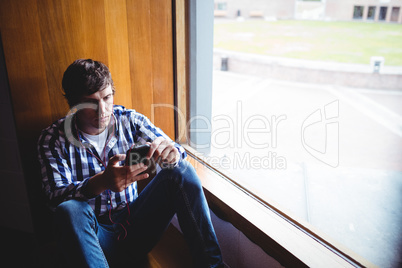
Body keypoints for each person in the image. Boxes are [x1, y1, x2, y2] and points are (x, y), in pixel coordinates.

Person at [37, 59, 223, 268]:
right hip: (90, 237)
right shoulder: (53, 139)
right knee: (69, 210)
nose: (102, 110)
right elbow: (55, 201)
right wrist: (102, 182)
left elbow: (175, 150)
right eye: (90, 103)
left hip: (134, 226)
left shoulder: (129, 120)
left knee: (181, 170)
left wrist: (171, 151)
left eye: (107, 98)